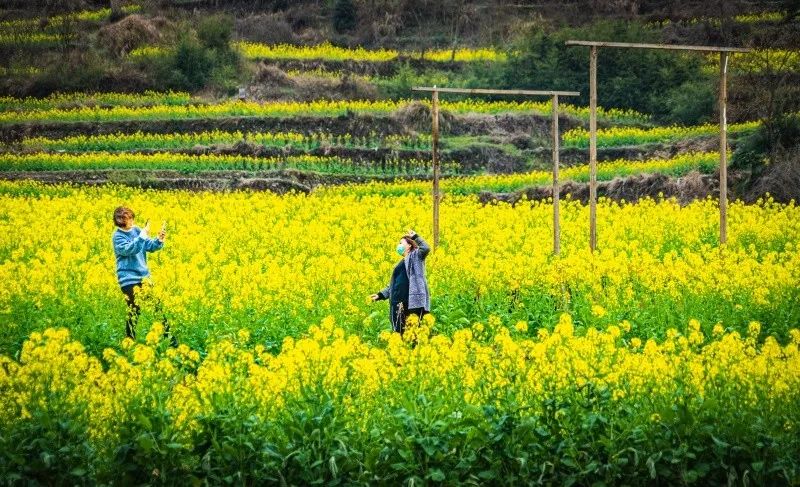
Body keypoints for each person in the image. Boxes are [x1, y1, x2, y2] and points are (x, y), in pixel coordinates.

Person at [111, 206, 176, 345]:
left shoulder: (136, 230)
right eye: (129, 219)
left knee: (157, 309)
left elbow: (149, 246)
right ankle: (129, 343)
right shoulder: (117, 236)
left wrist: (159, 240)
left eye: (131, 217)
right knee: (134, 311)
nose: (132, 221)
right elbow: (130, 249)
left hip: (144, 278)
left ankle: (171, 341)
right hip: (128, 279)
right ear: (121, 221)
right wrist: (142, 235)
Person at [370, 229, 431, 335]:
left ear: (409, 246)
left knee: (412, 334)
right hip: (399, 304)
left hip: (412, 303)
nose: (399, 246)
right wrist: (380, 295)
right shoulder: (401, 263)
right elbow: (394, 284)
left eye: (401, 243)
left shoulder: (416, 257)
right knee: (400, 335)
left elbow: (426, 248)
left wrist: (415, 237)